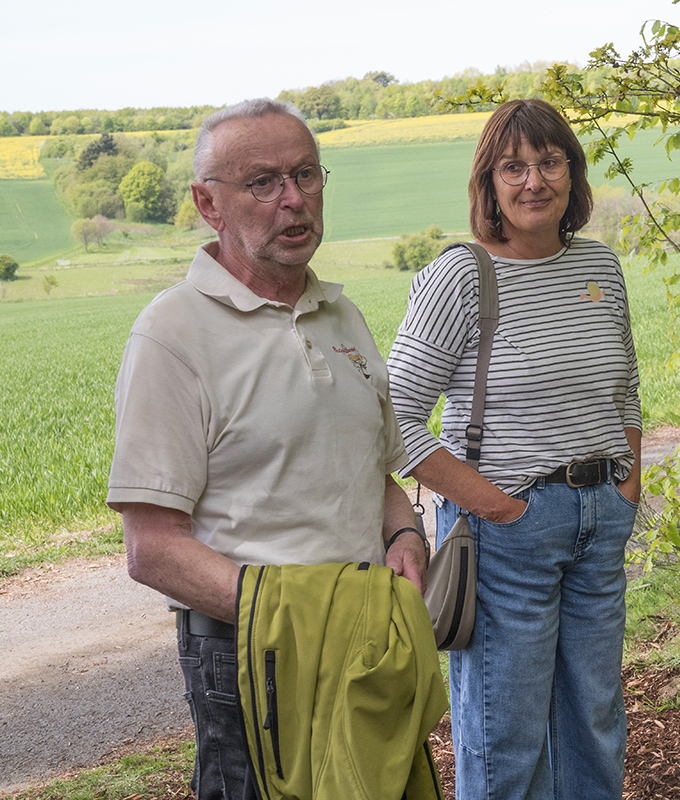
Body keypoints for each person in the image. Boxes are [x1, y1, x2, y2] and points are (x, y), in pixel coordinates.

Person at [106, 98, 431, 799]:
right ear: (207, 203)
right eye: (263, 182)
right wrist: (296, 616)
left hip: (368, 643)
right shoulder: (172, 335)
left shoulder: (341, 314)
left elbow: (373, 475)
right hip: (250, 650)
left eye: (307, 175)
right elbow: (152, 547)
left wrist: (404, 536)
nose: (294, 200)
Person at [387, 98, 642, 800]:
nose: (535, 181)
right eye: (514, 167)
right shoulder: (462, 276)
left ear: (573, 173)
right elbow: (392, 415)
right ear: (489, 184)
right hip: (509, 534)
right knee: (506, 734)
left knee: (594, 718)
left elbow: (627, 390)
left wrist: (627, 488)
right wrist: (498, 509)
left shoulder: (599, 267)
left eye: (549, 162)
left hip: (601, 520)